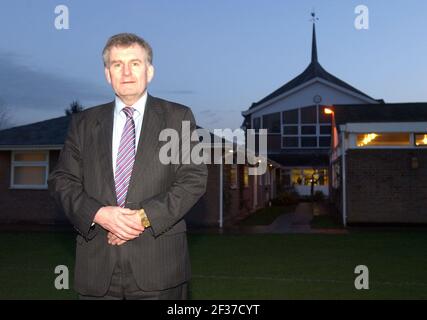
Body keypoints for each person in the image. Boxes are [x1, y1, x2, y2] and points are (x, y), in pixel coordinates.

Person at [48, 33, 208, 299]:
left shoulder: (178, 116)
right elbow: (61, 180)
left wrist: (140, 218)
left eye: (135, 63)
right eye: (116, 64)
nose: (126, 72)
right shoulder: (83, 123)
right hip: (96, 267)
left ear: (150, 70)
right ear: (107, 74)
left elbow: (192, 179)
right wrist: (99, 214)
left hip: (160, 267)